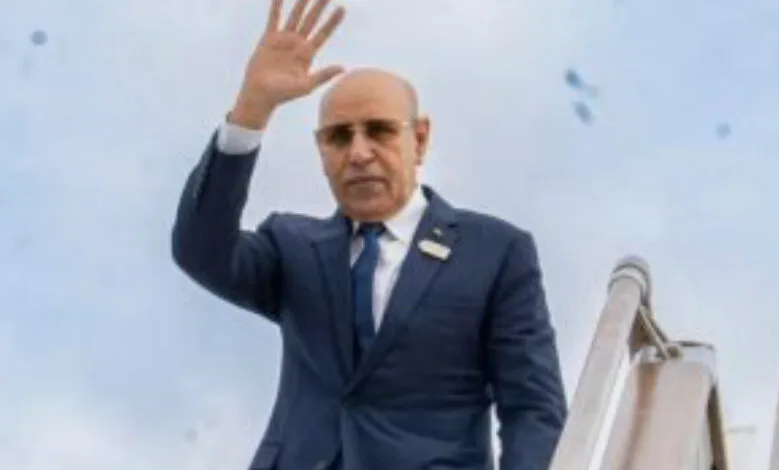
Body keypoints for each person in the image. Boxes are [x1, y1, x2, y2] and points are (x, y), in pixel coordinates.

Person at [171, 0, 568, 469]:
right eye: (339, 137)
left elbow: (533, 410)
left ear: (419, 139)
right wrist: (250, 111)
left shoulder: (495, 253)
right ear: (321, 150)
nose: (359, 153)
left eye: (379, 131)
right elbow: (200, 251)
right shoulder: (293, 247)